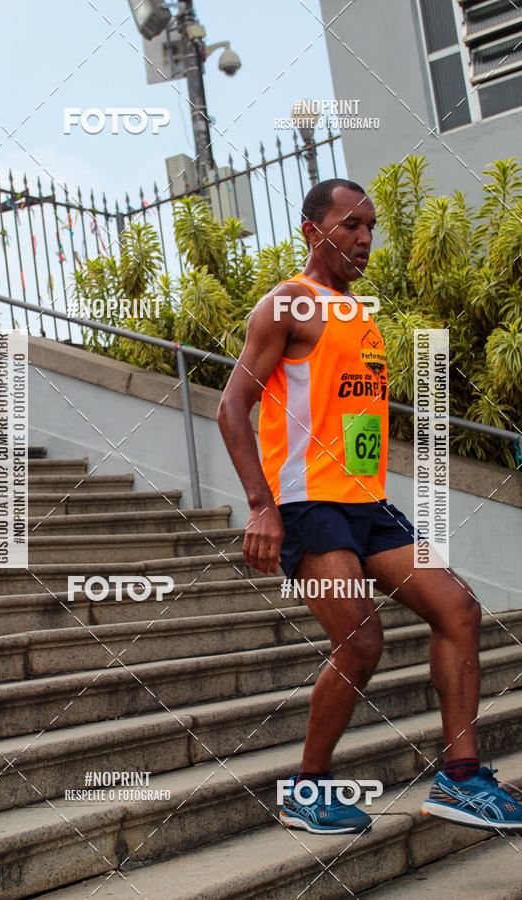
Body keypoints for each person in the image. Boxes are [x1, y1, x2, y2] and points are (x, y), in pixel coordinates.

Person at [217, 178, 522, 835]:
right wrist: (260, 505)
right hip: (307, 504)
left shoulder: (360, 316)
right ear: (310, 230)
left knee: (458, 609)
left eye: (370, 226)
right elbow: (230, 407)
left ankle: (462, 779)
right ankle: (307, 788)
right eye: (350, 224)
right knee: (359, 640)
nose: (364, 238)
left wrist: (367, 481)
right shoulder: (286, 306)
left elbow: (356, 417)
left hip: (364, 502)